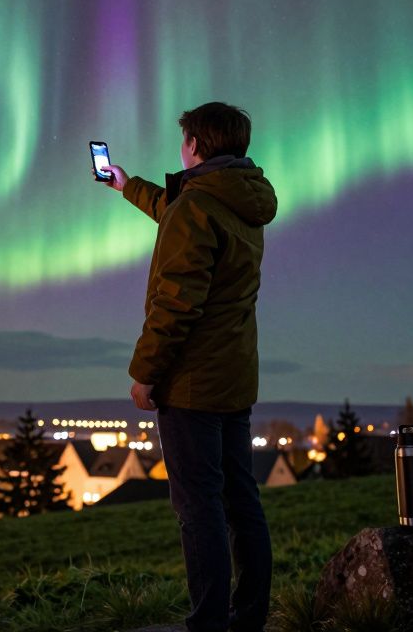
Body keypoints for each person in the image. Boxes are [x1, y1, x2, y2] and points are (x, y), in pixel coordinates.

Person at [97, 101, 278, 632]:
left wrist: (145, 372)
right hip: (234, 378)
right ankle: (247, 618)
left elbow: (176, 302)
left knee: (198, 511)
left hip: (193, 385)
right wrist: (127, 185)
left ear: (196, 145)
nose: (182, 148)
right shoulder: (240, 202)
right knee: (241, 501)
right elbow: (179, 212)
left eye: (185, 141)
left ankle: (207, 624)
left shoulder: (197, 209)